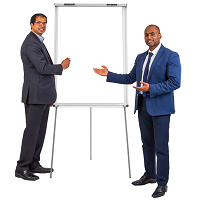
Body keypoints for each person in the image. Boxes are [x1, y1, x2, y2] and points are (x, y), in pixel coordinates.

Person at [93, 25, 181, 198]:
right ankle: (150, 175)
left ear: (160, 35)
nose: (149, 37)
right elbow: (130, 78)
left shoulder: (171, 55)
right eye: (146, 35)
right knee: (147, 144)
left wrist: (152, 88)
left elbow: (175, 82)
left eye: (153, 34)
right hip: (143, 106)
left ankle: (162, 183)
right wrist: (108, 74)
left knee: (161, 147)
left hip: (161, 108)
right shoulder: (141, 57)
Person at [15, 13, 71, 181]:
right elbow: (42, 68)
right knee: (32, 132)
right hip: (36, 95)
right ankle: (22, 167)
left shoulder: (37, 41)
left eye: (45, 23)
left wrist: (49, 96)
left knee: (40, 132)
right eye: (39, 23)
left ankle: (33, 163)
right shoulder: (31, 42)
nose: (42, 25)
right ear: (31, 25)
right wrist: (61, 66)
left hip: (42, 95)